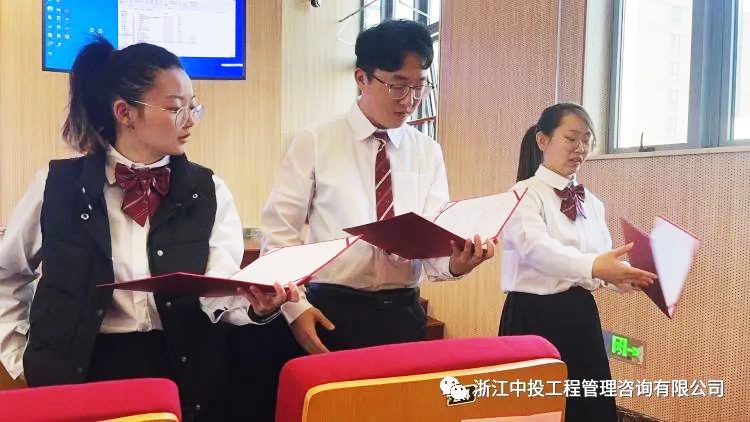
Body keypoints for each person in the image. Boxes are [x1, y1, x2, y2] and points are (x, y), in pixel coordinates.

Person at [0, 37, 298, 422]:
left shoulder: (209, 190)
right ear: (124, 112)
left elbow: (218, 290)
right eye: (175, 108)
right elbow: (8, 273)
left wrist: (255, 306)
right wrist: (20, 358)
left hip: (181, 373)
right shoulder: (56, 186)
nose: (190, 120)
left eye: (193, 106)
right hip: (80, 373)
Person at [260, 19, 494, 356]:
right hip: (330, 310)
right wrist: (295, 310)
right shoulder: (316, 141)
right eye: (398, 86)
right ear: (362, 78)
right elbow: (279, 235)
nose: (409, 100)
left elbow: (432, 245)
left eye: (420, 86)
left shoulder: (427, 151)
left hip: (403, 313)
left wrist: (459, 263)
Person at [499, 102, 657, 421]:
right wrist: (597, 267)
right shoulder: (523, 194)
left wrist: (624, 277)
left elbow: (598, 261)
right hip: (532, 317)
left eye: (587, 140)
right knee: (535, 410)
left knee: (588, 408)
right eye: (571, 139)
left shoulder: (592, 203)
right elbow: (537, 250)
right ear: (543, 140)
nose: (580, 148)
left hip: (580, 315)